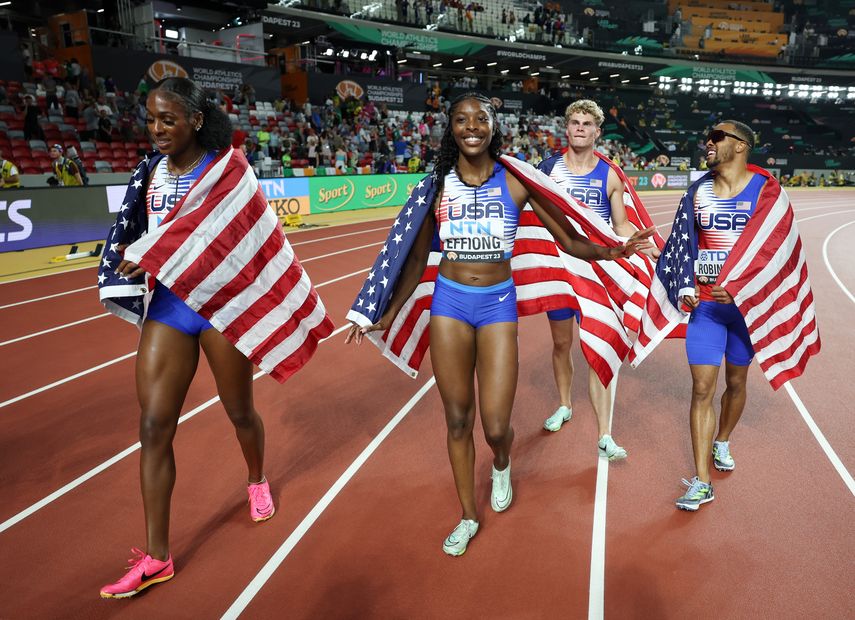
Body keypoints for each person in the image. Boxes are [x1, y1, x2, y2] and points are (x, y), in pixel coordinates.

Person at [345, 93, 653, 556]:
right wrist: (385, 315)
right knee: (457, 419)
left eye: (480, 119)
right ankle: (468, 515)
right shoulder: (437, 186)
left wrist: (615, 250)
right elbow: (416, 259)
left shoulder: (515, 181)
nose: (471, 127)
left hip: (497, 307)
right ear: (450, 128)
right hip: (449, 304)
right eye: (461, 119)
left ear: (494, 126)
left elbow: (569, 240)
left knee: (494, 426)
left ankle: (502, 462)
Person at [97, 77, 333, 598]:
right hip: (169, 307)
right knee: (153, 426)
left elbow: (249, 234)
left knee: (239, 411)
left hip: (224, 307)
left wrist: (155, 249)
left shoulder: (229, 169)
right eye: (151, 119)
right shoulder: (148, 173)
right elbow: (138, 232)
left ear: (196, 120)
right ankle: (157, 556)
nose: (157, 129)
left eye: (168, 119)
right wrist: (134, 255)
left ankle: (256, 478)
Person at [538, 100, 660, 460]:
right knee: (561, 343)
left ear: (597, 131)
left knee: (599, 347)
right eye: (574, 122)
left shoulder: (609, 174)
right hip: (560, 272)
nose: (579, 127)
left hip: (597, 273)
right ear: (566, 128)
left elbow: (620, 225)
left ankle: (605, 434)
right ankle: (564, 405)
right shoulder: (547, 170)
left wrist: (647, 246)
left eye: (586, 123)